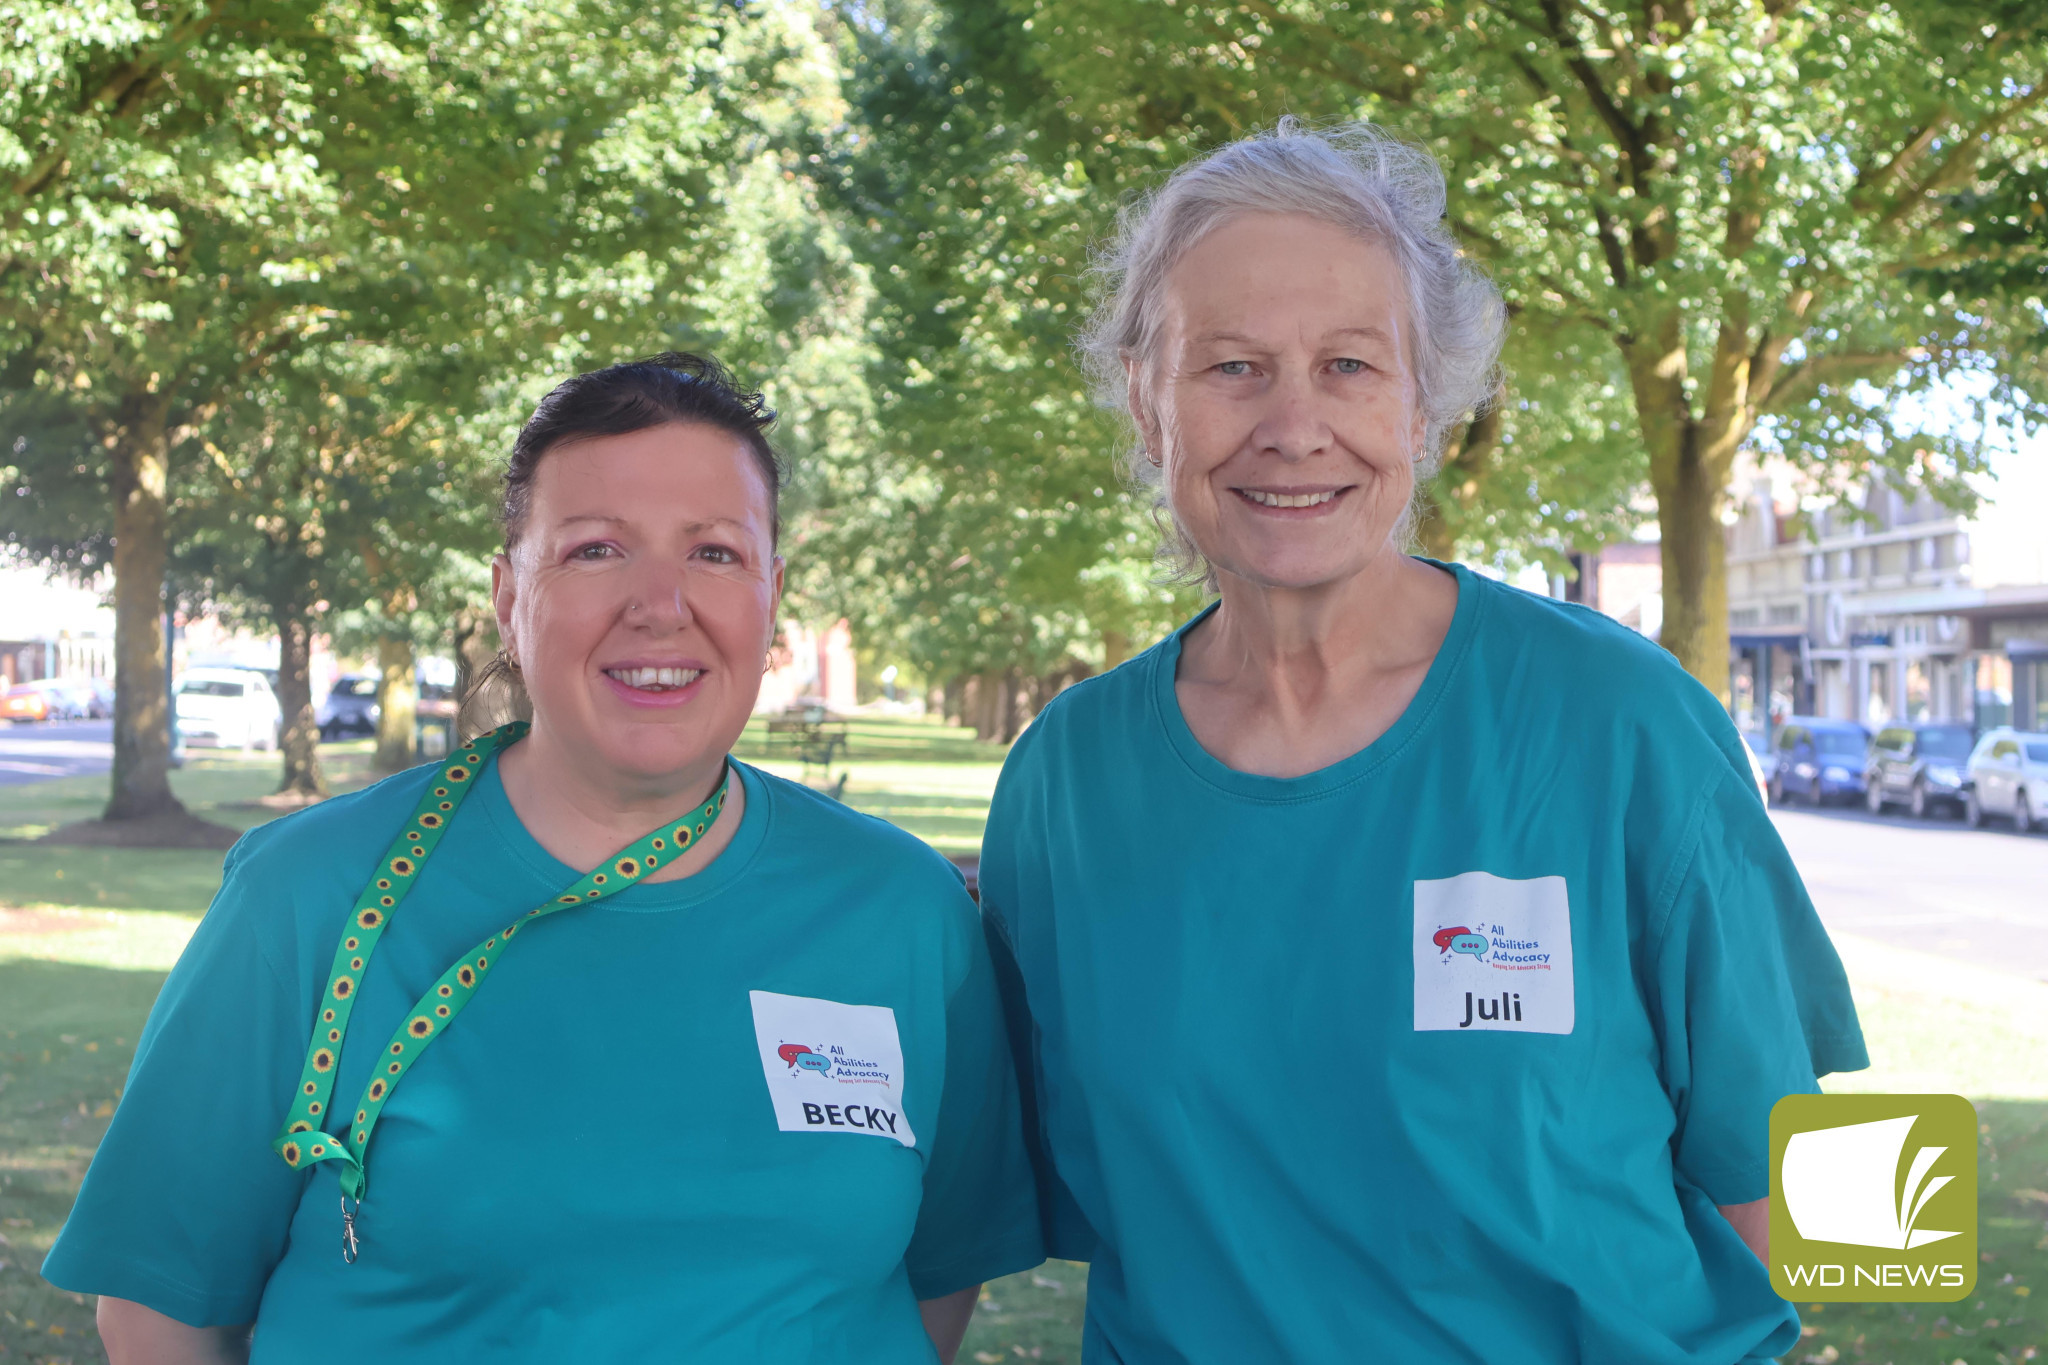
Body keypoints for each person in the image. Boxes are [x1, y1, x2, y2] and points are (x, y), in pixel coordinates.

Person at [977, 122, 1867, 1363]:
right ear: (1144, 395)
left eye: (1349, 365)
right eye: (1230, 367)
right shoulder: (1063, 785)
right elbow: (1073, 1193)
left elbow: (1810, 1197)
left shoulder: (1621, 722)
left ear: (1428, 402)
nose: (1293, 426)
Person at [45, 354, 1042, 1364]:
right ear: (508, 597)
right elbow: (160, 1309)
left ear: (771, 596)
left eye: (715, 554)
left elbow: (932, 1273)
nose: (660, 604)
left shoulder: (903, 911)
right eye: (596, 549)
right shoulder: (309, 896)